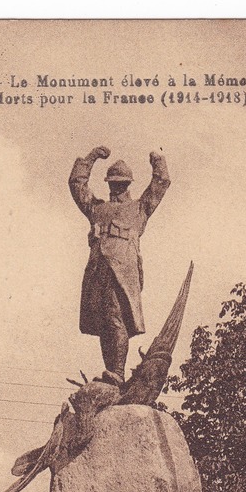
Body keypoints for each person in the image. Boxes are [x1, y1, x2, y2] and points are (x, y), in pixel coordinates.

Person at [68, 145, 171, 383]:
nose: (117, 187)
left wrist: (157, 161)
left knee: (116, 317)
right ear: (108, 183)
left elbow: (161, 182)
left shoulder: (139, 208)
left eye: (121, 183)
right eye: (114, 183)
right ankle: (111, 372)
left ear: (128, 184)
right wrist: (91, 157)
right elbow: (76, 185)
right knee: (104, 322)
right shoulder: (98, 208)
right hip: (98, 269)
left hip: (122, 270)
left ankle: (118, 372)